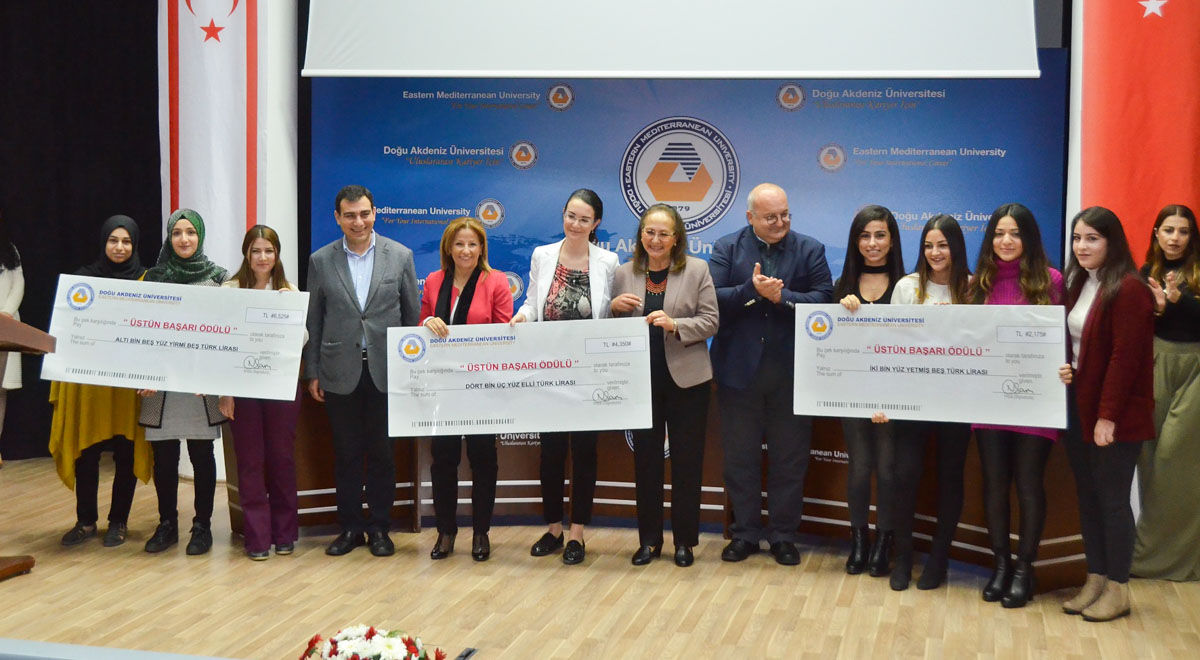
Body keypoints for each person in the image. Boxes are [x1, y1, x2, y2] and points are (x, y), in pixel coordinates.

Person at [708, 182, 833, 566]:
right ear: (750, 217)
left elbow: (825, 298)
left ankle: (783, 536)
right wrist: (752, 290)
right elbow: (712, 299)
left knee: (789, 460)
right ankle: (744, 533)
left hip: (792, 375)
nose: (780, 223)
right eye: (770, 217)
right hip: (738, 373)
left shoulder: (810, 249)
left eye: (785, 215)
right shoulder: (727, 248)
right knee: (740, 459)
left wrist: (783, 298)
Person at [305, 185, 419, 557]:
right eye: (350, 215)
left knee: (383, 454)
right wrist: (312, 371)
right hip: (339, 372)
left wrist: (413, 373)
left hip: (387, 373)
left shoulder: (399, 256)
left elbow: (411, 318)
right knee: (347, 454)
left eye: (364, 214)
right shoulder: (320, 260)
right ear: (337, 218)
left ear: (375, 213)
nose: (359, 222)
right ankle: (351, 528)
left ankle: (380, 528)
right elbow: (314, 320)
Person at [511, 188, 619, 565]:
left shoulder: (608, 261)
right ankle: (554, 528)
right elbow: (533, 302)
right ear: (563, 215)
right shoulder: (542, 255)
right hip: (549, 369)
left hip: (589, 372)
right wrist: (522, 316)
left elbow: (608, 314)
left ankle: (578, 533)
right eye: (571, 216)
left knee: (584, 452)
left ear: (596, 224)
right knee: (551, 452)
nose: (575, 224)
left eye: (584, 219)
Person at [1057, 206, 1154, 621]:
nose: (1082, 246)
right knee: (1088, 497)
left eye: (1092, 238)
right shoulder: (1080, 282)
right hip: (1079, 406)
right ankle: (1095, 579)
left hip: (1115, 416)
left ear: (1112, 242)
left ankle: (1118, 588)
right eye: (1077, 238)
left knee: (1113, 502)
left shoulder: (1129, 287)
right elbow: (1080, 346)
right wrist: (1068, 368)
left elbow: (1124, 358)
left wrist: (1107, 416)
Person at [611, 204, 719, 568]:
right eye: (649, 232)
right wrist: (613, 308)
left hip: (688, 381)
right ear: (640, 235)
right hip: (641, 381)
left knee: (687, 463)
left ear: (676, 239)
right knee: (646, 464)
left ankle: (685, 542)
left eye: (663, 234)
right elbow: (609, 330)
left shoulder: (697, 270)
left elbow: (711, 321)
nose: (655, 240)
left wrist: (676, 325)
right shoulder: (624, 273)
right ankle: (649, 541)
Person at [967, 202, 1063, 607]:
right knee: (994, 484)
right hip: (989, 400)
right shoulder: (978, 284)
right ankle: (1001, 565)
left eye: (1015, 234)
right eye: (999, 233)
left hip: (1035, 401)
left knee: (1028, 484)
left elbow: (1063, 342)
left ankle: (1025, 568)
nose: (1006, 241)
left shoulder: (1052, 281)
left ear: (1029, 238)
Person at [51, 215, 152, 548]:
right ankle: (85, 521)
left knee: (126, 451)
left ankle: (118, 521)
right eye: (113, 240)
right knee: (87, 451)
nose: (119, 247)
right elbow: (67, 328)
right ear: (103, 242)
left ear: (134, 244)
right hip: (90, 384)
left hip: (128, 384)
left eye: (126, 241)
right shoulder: (82, 280)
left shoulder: (146, 281)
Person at [419, 217, 513, 562]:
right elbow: (419, 325)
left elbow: (504, 333)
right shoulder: (433, 281)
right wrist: (426, 322)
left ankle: (481, 532)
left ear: (482, 248)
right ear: (448, 247)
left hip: (481, 387)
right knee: (443, 459)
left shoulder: (496, 281)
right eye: (459, 244)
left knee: (483, 459)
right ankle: (445, 531)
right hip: (442, 387)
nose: (466, 250)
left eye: (473, 244)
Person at [888, 214, 973, 590]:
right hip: (912, 397)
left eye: (943, 245)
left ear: (957, 247)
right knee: (905, 476)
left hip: (958, 400)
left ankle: (939, 560)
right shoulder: (907, 287)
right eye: (928, 245)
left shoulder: (973, 287)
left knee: (950, 478)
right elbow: (891, 342)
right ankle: (903, 559)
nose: (935, 252)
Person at [139, 209, 229, 555]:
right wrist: (143, 373)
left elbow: (228, 332)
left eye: (190, 232)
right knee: (163, 457)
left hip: (199, 385)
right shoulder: (152, 278)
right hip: (159, 384)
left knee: (202, 454)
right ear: (169, 237)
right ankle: (167, 524)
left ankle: (202, 526)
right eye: (177, 233)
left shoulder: (218, 278)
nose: (184, 239)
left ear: (200, 236)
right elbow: (139, 330)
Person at [218, 225, 303, 560]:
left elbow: (303, 339)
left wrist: (289, 311)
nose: (263, 257)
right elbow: (222, 343)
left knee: (281, 458)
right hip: (243, 389)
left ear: (277, 255)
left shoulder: (289, 290)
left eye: (269, 251)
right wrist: (224, 392)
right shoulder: (230, 290)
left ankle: (284, 534)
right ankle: (256, 538)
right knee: (250, 461)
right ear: (246, 254)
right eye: (256, 251)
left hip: (281, 386)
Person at [833, 205, 905, 581]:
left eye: (880, 235)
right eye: (865, 236)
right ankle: (858, 540)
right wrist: (840, 311)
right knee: (859, 469)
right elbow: (829, 341)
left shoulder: (907, 285)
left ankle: (884, 541)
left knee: (888, 472)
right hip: (853, 392)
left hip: (894, 395)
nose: (872, 243)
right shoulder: (843, 284)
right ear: (855, 241)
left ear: (892, 241)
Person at [1132, 204, 1200, 581]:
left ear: (1192, 236)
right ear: (1156, 233)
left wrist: (1178, 301)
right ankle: (1153, 550)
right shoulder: (1147, 272)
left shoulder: (1197, 272)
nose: (1175, 238)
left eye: (1183, 231)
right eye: (1169, 230)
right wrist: (1157, 309)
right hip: (1155, 365)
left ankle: (1165, 558)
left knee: (1175, 461)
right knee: (1150, 459)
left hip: (1194, 369)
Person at [0, 210, 21, 459]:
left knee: (0, 390)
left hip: (5, 326)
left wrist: (6, 312)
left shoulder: (10, 250)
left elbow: (18, 284)